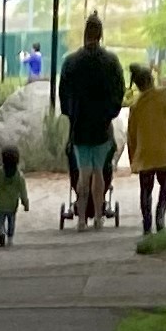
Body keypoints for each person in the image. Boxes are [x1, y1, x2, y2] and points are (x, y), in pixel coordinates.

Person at [56, 13, 126, 226]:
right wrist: (110, 112)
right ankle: (97, 215)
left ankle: (81, 217)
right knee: (100, 171)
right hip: (102, 126)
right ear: (101, 34)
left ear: (84, 34)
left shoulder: (70, 62)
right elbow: (119, 91)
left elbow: (63, 93)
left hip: (79, 127)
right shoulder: (111, 62)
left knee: (82, 172)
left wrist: (71, 113)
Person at [127, 61, 166, 232]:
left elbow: (131, 136)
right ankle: (160, 215)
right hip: (163, 153)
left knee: (145, 189)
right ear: (152, 79)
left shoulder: (136, 106)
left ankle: (147, 222)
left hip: (144, 154)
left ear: (137, 84)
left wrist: (133, 159)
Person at [0, 132, 28, 245]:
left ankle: (1, 232)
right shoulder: (19, 176)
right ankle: (10, 238)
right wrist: (25, 203)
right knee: (11, 221)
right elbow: (23, 192)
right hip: (12, 205)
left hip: (0, 204)